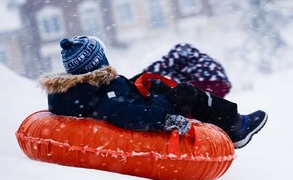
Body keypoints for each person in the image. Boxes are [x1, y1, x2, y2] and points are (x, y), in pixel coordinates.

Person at [39, 36, 267, 149]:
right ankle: (237, 127)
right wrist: (165, 119)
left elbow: (112, 99)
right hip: (152, 110)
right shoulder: (104, 88)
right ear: (98, 61)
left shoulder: (81, 90)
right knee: (188, 93)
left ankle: (224, 126)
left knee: (157, 85)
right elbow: (119, 110)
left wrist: (133, 84)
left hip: (143, 100)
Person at [143, 43, 231, 98]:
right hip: (222, 84)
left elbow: (162, 66)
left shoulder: (175, 54)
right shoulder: (194, 58)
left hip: (205, 81)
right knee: (212, 108)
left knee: (191, 105)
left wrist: (142, 76)